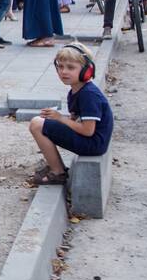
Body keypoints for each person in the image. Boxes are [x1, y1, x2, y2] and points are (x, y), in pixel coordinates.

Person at [27, 43, 113, 186]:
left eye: (71, 67)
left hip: (93, 145)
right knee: (41, 122)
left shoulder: (89, 95)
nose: (64, 72)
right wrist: (57, 120)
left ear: (86, 70)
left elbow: (88, 131)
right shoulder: (76, 90)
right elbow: (75, 120)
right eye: (60, 67)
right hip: (91, 142)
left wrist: (60, 118)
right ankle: (57, 167)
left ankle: (58, 173)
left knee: (37, 124)